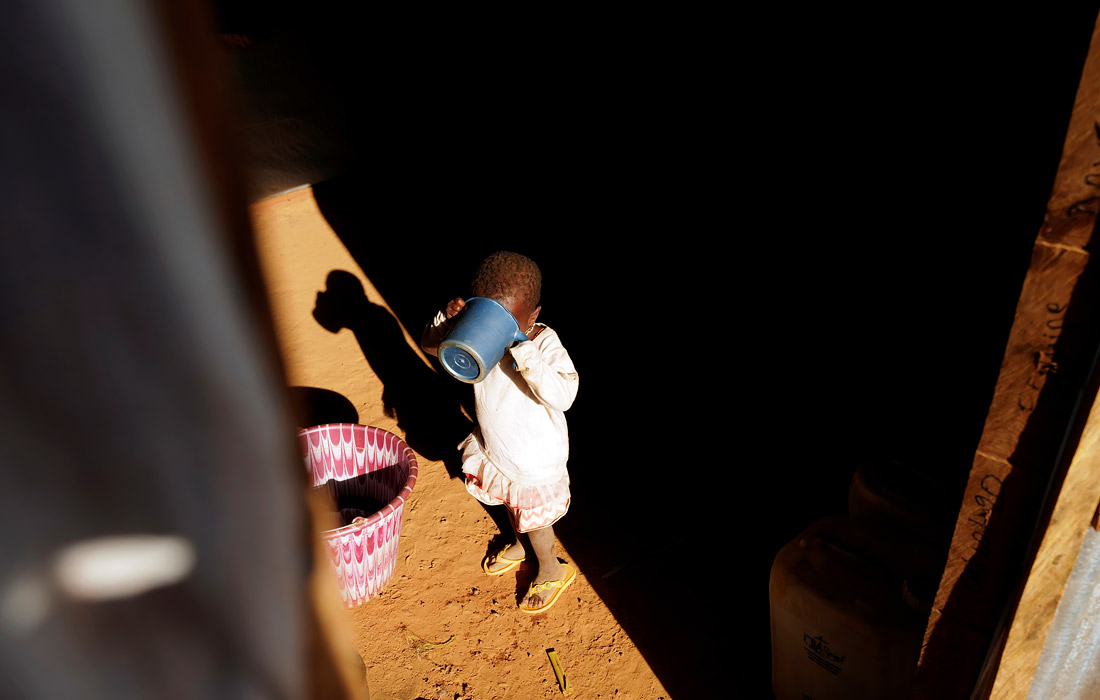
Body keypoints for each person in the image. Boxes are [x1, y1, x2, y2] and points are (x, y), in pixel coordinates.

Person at [421, 251, 580, 613]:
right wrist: (448, 322)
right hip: (499, 445)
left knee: (535, 518)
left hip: (534, 456)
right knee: (510, 501)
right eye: (487, 314)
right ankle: (522, 546)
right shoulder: (477, 332)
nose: (495, 328)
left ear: (532, 317)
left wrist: (526, 352)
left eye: (508, 321)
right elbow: (432, 348)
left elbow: (565, 394)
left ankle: (551, 568)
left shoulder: (543, 342)